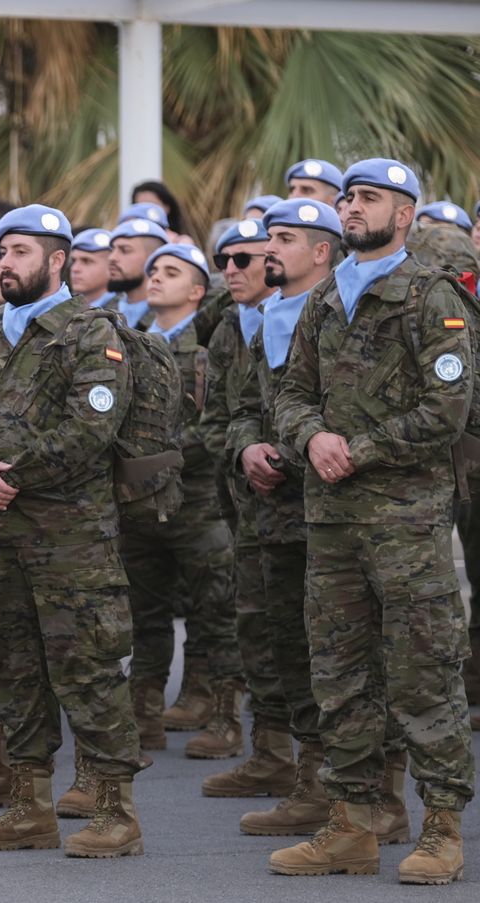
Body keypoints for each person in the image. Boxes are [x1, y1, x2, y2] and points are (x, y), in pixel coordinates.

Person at [271, 159, 473, 884]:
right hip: (332, 523)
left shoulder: (429, 294)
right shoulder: (326, 298)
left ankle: (442, 828)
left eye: (371, 198)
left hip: (405, 520)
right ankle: (353, 823)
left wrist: (357, 448)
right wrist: (310, 437)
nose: (353, 208)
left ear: (406, 215)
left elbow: (449, 407)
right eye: (349, 197)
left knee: (422, 674)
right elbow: (290, 395)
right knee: (341, 674)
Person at [0, 204, 144, 859]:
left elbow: (92, 428)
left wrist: (11, 473)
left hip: (71, 540)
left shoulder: (90, 334)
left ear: (57, 262)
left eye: (20, 251)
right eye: (0, 251)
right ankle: (29, 804)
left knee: (88, 671)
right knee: (15, 672)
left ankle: (115, 810)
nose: (3, 262)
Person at [225, 198, 341, 838]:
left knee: (343, 655)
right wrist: (246, 446)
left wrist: (296, 451)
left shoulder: (344, 315)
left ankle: (363, 790)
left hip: (331, 512)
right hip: (271, 515)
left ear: (321, 252)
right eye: (269, 237)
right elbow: (243, 405)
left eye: (285, 239)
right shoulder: (264, 317)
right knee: (290, 651)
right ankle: (310, 778)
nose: (269, 249)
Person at [119, 243, 238, 757]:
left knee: (216, 612)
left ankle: (220, 714)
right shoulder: (128, 344)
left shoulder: (206, 351)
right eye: (153, 271)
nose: (156, 279)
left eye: (171, 272)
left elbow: (216, 426)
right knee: (144, 615)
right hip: (139, 504)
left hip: (197, 502)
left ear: (196, 291)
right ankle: (144, 716)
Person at [197, 217, 298, 801]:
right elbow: (218, 421)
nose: (232, 271)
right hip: (248, 504)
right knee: (258, 630)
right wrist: (246, 451)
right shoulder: (228, 333)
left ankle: (331, 775)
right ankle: (271, 753)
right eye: (225, 262)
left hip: (309, 502)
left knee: (314, 638)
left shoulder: (310, 317)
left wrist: (282, 453)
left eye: (245, 259)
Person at [102, 217, 168, 328]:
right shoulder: (103, 313)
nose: (112, 258)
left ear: (153, 259)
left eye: (125, 250)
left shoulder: (168, 318)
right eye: (112, 250)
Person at [69, 228, 113, 305]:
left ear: (112, 267)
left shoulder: (125, 310)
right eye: (74, 261)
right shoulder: (63, 305)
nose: (75, 269)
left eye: (86, 261)